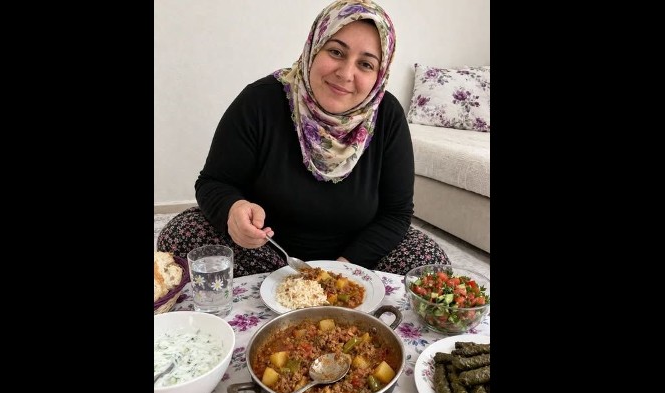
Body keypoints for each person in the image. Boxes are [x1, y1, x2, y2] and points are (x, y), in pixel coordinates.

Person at [158, 0, 450, 277]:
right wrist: (232, 210)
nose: (346, 73)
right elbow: (213, 182)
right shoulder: (260, 101)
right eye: (336, 52)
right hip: (266, 252)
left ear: (380, 75)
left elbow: (396, 213)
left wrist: (342, 271)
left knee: (430, 264)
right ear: (314, 47)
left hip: (354, 257)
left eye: (365, 64)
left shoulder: (387, 115)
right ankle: (275, 288)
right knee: (180, 235)